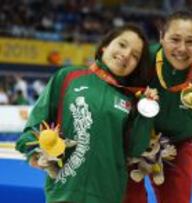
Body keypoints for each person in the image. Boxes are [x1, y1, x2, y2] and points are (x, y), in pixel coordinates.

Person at [16, 24, 157, 203]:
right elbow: (35, 123)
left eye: (135, 56)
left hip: (108, 195)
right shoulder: (68, 77)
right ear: (105, 45)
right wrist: (33, 154)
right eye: (122, 44)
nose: (127, 54)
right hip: (63, 192)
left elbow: (135, 148)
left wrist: (146, 112)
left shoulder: (131, 98)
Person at [124, 10, 192, 203]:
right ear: (162, 37)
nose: (182, 49)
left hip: (181, 140)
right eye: (175, 39)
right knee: (129, 197)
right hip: (137, 135)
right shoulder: (143, 61)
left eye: (190, 42)